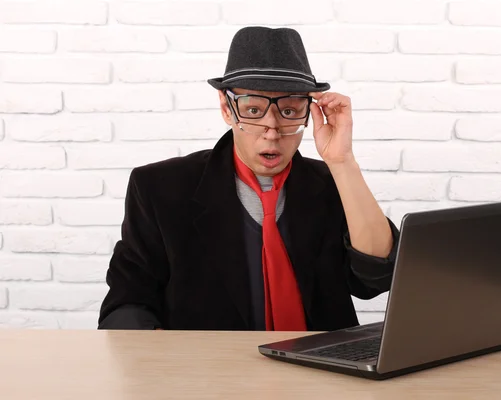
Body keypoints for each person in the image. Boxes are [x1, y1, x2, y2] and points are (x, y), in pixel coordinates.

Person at [98, 26, 400, 331]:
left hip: (320, 370)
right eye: (253, 109)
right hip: (210, 372)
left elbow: (376, 278)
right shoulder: (159, 188)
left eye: (289, 110)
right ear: (226, 109)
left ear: (309, 113)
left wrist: (342, 161)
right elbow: (126, 303)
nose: (272, 129)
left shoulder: (332, 183)